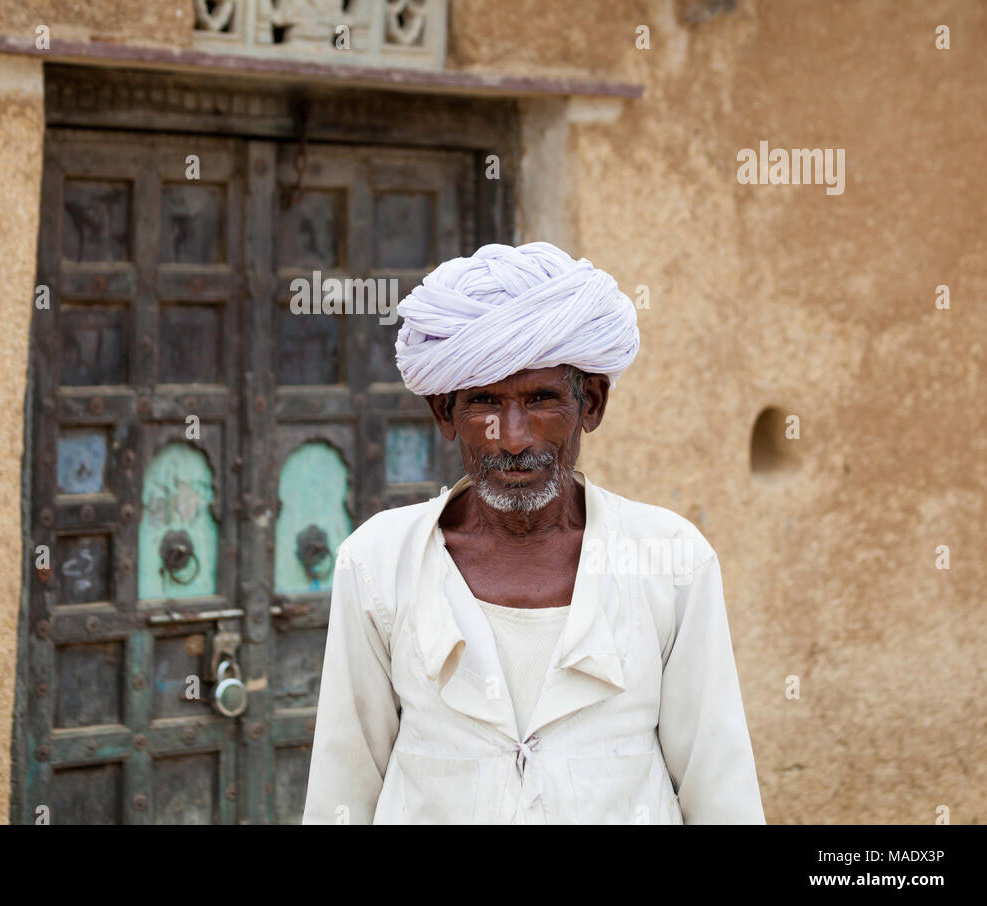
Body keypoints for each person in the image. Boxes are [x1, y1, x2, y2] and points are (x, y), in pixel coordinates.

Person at [302, 242, 764, 824]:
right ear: (445, 414)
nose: (514, 437)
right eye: (485, 403)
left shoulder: (672, 561)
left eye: (541, 399)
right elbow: (343, 785)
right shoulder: (376, 562)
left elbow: (719, 788)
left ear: (589, 404)